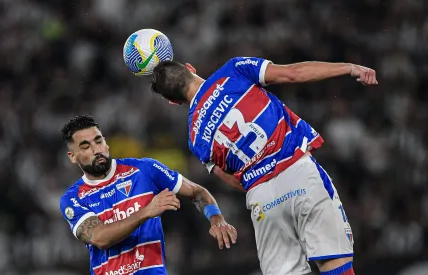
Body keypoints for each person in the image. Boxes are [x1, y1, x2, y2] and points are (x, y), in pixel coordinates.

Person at [149, 57, 378, 275]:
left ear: (174, 101)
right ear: (191, 68)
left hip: (262, 197)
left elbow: (233, 180)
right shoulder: (234, 70)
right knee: (335, 265)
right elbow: (293, 74)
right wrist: (348, 67)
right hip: (297, 170)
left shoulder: (195, 137)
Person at [59, 115, 237, 275]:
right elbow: (100, 238)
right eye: (85, 146)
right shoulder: (73, 198)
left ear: (106, 143)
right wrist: (146, 211)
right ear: (72, 156)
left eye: (98, 141)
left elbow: (197, 192)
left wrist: (216, 217)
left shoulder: (144, 170)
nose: (96, 150)